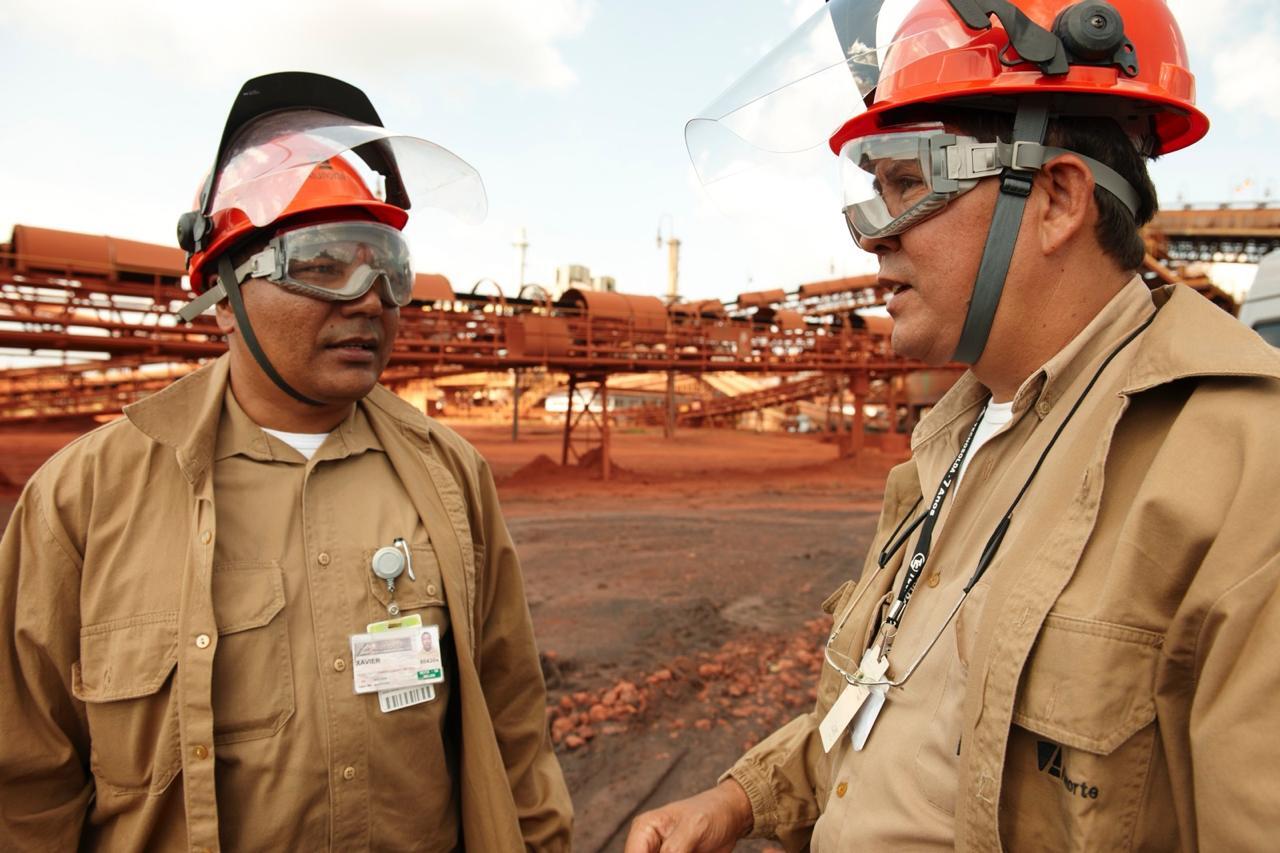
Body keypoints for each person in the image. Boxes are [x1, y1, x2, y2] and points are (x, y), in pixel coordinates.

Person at [629, 0, 1280, 849]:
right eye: (874, 191)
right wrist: (741, 800)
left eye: (909, 182)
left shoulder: (1244, 471)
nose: (874, 239)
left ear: (1055, 198)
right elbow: (898, 703)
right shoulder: (955, 436)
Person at [0, 72, 572, 851]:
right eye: (324, 263)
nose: (369, 297)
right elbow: (25, 783)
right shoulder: (83, 499)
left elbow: (513, 727)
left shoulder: (451, 476)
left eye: (386, 265)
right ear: (227, 293)